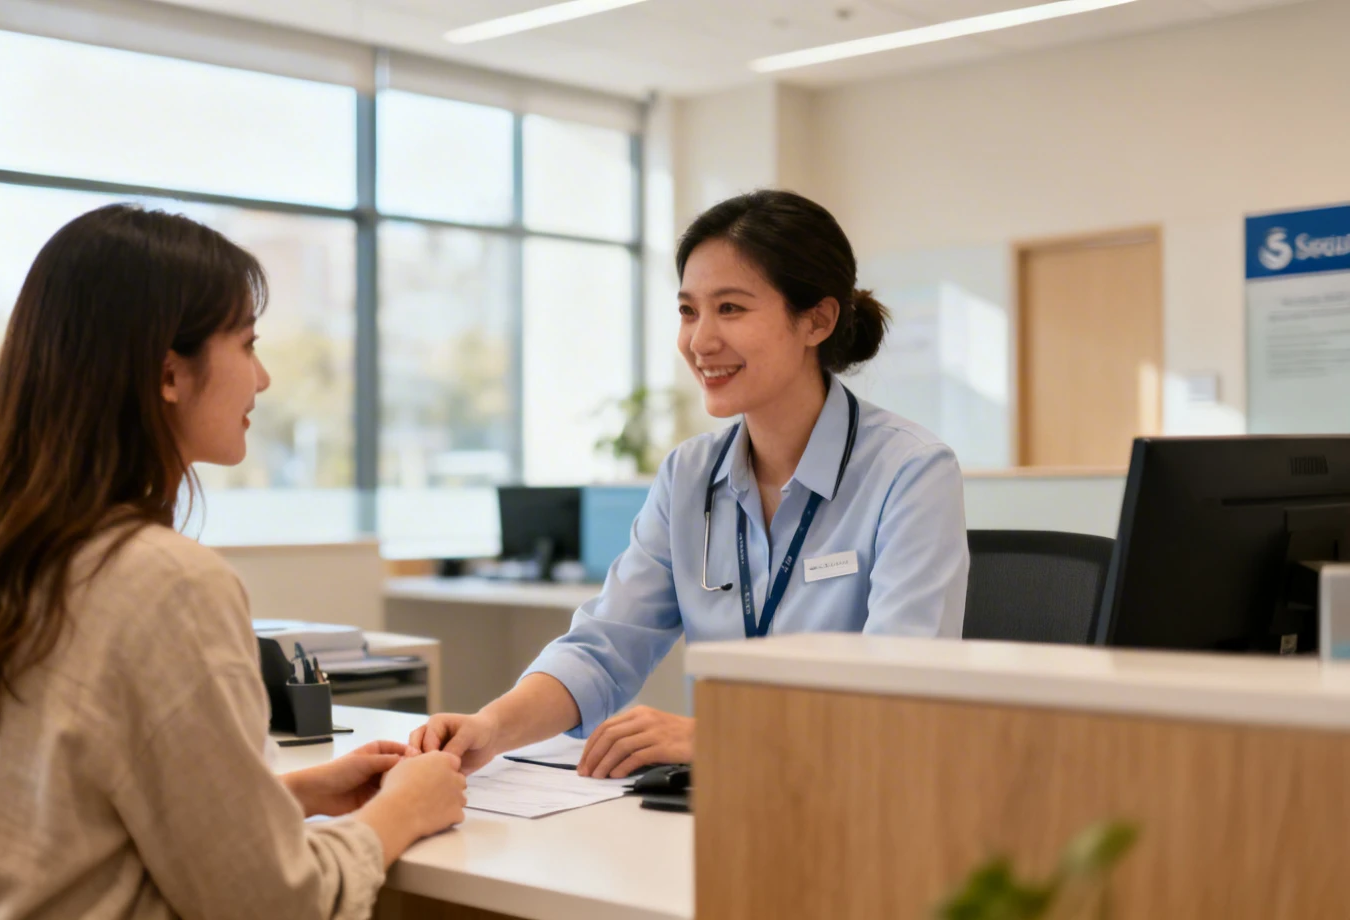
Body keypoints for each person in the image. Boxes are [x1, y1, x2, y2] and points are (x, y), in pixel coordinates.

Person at [0, 205, 466, 920]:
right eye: (246, 344)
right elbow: (276, 905)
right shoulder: (164, 581)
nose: (264, 378)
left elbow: (66, 819)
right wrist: (401, 812)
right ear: (168, 374)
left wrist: (295, 796)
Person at [411, 190, 970, 780]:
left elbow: (898, 693)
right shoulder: (690, 476)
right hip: (723, 798)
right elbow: (604, 648)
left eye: (730, 308)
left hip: (859, 795)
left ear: (817, 320)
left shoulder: (910, 473)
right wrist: (491, 726)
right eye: (688, 311)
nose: (700, 342)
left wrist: (716, 736)